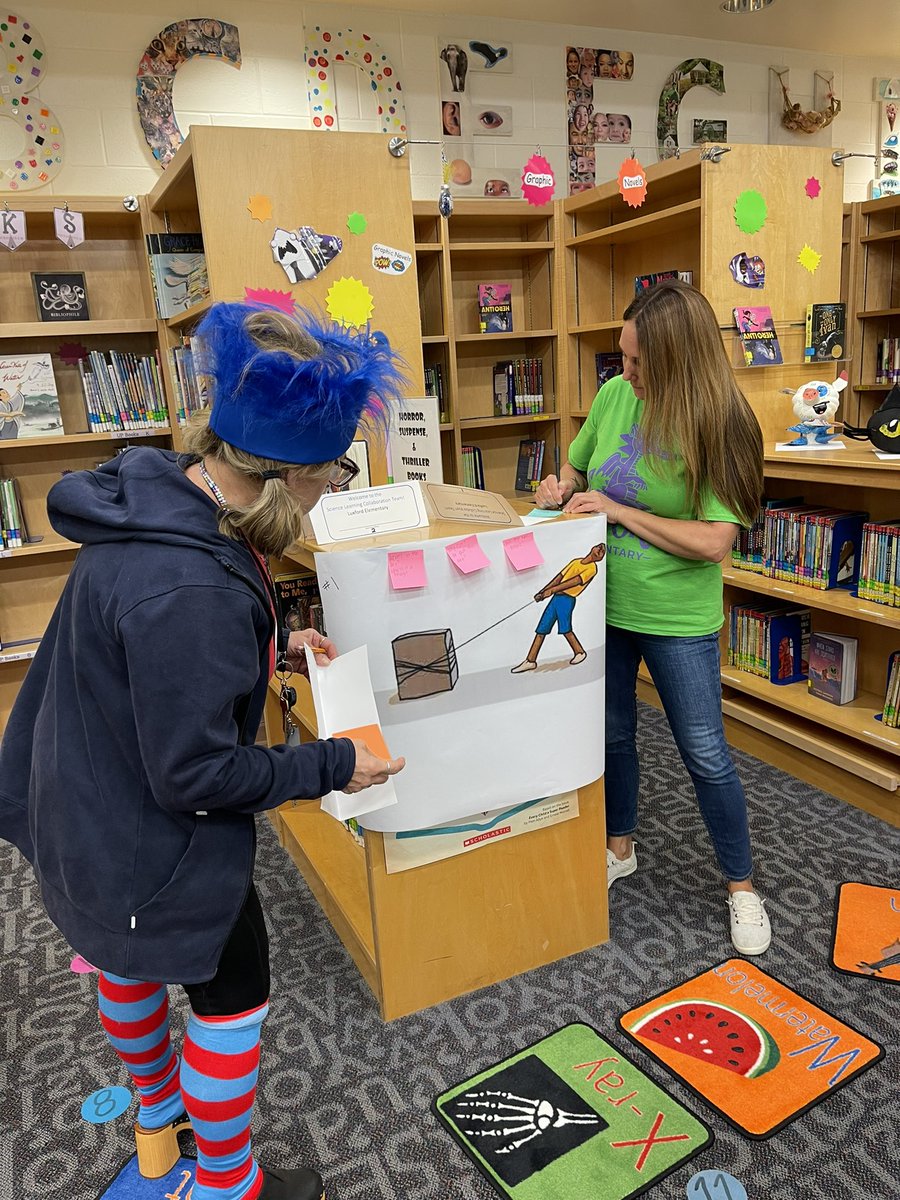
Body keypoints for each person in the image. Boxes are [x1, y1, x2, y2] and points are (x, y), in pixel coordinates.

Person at [0, 302, 409, 1200]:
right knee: (233, 1004)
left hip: (77, 808)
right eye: (333, 471)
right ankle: (226, 1185)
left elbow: (151, 657)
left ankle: (157, 1122)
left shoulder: (172, 494)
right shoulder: (189, 587)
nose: (333, 487)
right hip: (152, 845)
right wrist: (336, 765)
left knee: (124, 962)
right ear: (293, 473)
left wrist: (273, 646)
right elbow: (196, 771)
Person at [533, 280, 771, 956]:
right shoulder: (613, 398)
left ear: (677, 359)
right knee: (611, 737)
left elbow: (713, 541)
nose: (624, 373)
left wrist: (618, 511)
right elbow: (577, 474)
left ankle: (741, 886)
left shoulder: (724, 422)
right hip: (603, 604)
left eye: (637, 363)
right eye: (623, 358)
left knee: (704, 751)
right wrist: (560, 490)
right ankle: (620, 848)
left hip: (676, 616)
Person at [511, 543, 606, 673]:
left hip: (567, 600)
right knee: (542, 628)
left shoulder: (592, 569)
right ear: (592, 548)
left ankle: (580, 652)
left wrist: (551, 590)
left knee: (565, 628)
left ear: (600, 558)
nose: (601, 549)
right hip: (556, 598)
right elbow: (559, 577)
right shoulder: (576, 562)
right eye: (599, 546)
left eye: (603, 551)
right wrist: (543, 591)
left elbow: (573, 582)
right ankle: (530, 661)